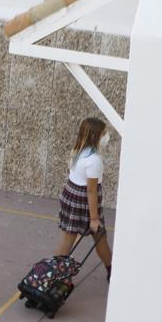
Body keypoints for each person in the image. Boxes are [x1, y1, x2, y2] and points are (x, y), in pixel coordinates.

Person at [56, 117, 113, 278]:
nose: (106, 136)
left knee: (70, 237)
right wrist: (94, 218)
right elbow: (91, 191)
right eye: (104, 133)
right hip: (83, 200)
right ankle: (111, 270)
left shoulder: (78, 150)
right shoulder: (94, 160)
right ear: (96, 136)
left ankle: (55, 273)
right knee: (98, 235)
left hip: (71, 194)